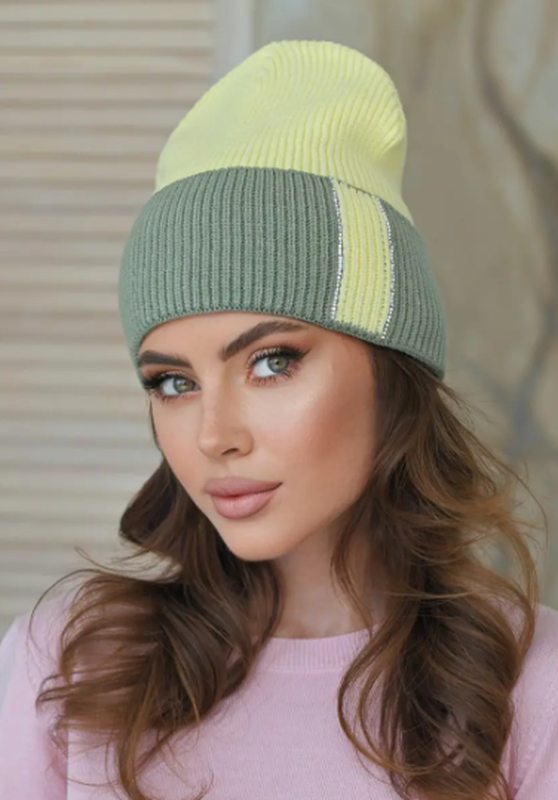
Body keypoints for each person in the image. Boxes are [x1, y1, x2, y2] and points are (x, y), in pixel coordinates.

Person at [0, 38, 557, 800]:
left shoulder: (530, 687)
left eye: (271, 362)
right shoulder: (68, 668)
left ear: (393, 370)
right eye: (173, 382)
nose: (213, 435)